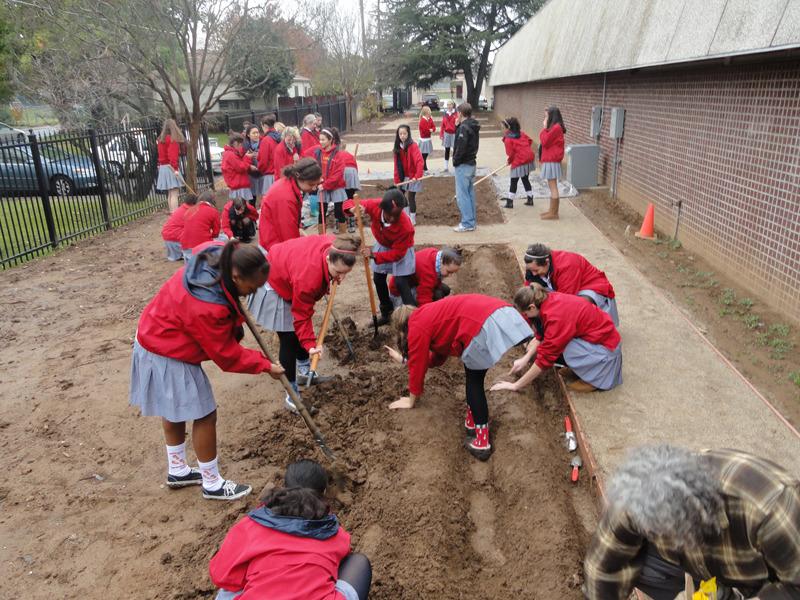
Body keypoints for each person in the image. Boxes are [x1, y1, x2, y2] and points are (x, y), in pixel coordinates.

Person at [130, 240, 285, 501]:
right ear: (236, 276)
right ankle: (212, 483)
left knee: (174, 407)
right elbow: (226, 356)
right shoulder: (207, 306)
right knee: (205, 413)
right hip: (167, 347)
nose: (252, 294)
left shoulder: (217, 252)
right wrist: (265, 365)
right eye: (251, 288)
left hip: (155, 332)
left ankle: (178, 470)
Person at [583, 444, 800, 600]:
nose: (662, 540)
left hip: (763, 580)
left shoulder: (770, 508)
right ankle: (717, 593)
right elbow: (601, 567)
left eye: (668, 534)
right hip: (707, 568)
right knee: (636, 561)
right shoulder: (639, 494)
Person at [385, 294, 533, 460]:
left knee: (474, 381)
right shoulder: (426, 316)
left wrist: (411, 400)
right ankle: (472, 422)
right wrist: (405, 360)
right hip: (493, 313)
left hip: (481, 324)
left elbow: (417, 367)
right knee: (473, 375)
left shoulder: (416, 326)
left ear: (401, 328)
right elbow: (436, 358)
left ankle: (482, 442)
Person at [247, 234, 361, 410]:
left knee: (296, 333)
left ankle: (304, 371)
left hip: (288, 270)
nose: (341, 278)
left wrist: (334, 276)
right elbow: (301, 316)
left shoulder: (337, 245)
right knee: (289, 338)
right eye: (338, 272)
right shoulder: (309, 277)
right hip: (274, 282)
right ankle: (291, 395)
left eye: (346, 273)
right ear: (328, 258)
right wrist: (310, 344)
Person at [209, 478, 372, 600]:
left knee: (229, 587)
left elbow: (219, 576)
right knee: (357, 562)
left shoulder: (251, 525)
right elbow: (343, 553)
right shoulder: (334, 533)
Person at [491, 284, 622, 394]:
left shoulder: (556, 318)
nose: (526, 317)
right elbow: (542, 334)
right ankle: (581, 369)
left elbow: (545, 359)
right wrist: (525, 359)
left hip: (606, 350)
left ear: (532, 307)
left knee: (563, 346)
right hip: (595, 340)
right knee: (556, 343)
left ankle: (593, 379)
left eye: (525, 314)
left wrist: (515, 385)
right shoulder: (547, 299)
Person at [343, 188, 416, 324]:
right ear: (383, 209)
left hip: (401, 249)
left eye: (397, 215)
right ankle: (386, 313)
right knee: (378, 278)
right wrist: (353, 209)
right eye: (390, 215)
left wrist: (374, 255)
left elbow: (398, 254)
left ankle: (413, 318)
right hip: (383, 243)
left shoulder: (406, 227)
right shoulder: (374, 205)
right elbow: (348, 203)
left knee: (401, 282)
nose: (393, 219)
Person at [524, 243, 618, 325]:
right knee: (537, 297)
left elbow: (565, 303)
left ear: (547, 262)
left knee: (579, 308)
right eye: (530, 270)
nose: (533, 274)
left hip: (591, 286)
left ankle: (592, 330)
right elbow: (527, 295)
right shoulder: (534, 268)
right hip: (565, 287)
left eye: (536, 270)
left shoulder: (567, 265)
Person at [258, 158, 322, 252]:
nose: (314, 188)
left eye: (317, 184)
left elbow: (293, 220)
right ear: (298, 176)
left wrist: (299, 229)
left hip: (275, 240)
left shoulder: (291, 183)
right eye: (311, 184)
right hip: (274, 245)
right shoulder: (285, 198)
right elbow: (287, 234)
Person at [305, 127, 347, 234]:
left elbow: (338, 175)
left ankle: (343, 235)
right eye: (320, 139)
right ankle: (321, 235)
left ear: (330, 140)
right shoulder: (318, 153)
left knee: (338, 211)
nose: (321, 142)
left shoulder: (338, 155)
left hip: (336, 186)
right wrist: (316, 182)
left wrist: (325, 185)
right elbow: (315, 168)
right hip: (322, 185)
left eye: (323, 139)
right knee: (321, 211)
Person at [388, 246, 462, 307]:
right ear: (442, 262)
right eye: (449, 272)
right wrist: (427, 313)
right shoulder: (428, 271)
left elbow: (435, 280)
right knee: (437, 295)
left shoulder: (436, 256)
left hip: (413, 283)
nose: (450, 275)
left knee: (443, 290)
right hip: (399, 293)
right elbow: (423, 298)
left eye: (453, 273)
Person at [452, 102, 481, 233]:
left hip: (463, 165)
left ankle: (467, 223)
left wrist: (455, 161)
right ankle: (471, 221)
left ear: (461, 113)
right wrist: (457, 127)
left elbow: (461, 147)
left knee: (462, 196)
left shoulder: (464, 128)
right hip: (471, 164)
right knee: (469, 194)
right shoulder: (471, 126)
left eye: (457, 113)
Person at [393, 125, 424, 225]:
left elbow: (419, 162)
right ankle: (406, 217)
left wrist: (417, 176)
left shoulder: (413, 145)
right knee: (401, 196)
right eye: (400, 134)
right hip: (403, 177)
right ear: (398, 135)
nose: (402, 136)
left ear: (408, 134)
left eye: (404, 134)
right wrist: (397, 180)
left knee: (411, 197)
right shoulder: (397, 147)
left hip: (413, 176)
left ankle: (412, 219)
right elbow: (396, 166)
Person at [501, 117, 535, 209]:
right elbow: (530, 141)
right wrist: (524, 150)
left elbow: (510, 154)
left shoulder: (508, 139)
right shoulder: (522, 134)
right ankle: (530, 199)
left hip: (520, 161)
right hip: (528, 159)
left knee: (513, 181)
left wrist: (509, 161)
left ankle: (510, 202)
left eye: (503, 127)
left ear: (508, 128)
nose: (502, 129)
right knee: (525, 179)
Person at [539, 106, 566, 220]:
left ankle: (554, 213)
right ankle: (552, 211)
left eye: (546, 116)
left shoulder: (556, 128)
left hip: (552, 160)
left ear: (552, 116)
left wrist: (544, 128)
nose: (545, 119)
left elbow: (544, 141)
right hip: (550, 159)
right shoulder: (555, 128)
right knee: (552, 186)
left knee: (553, 186)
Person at [180, 190, 220, 261]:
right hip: (201, 248)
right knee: (224, 238)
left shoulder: (189, 210)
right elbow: (216, 233)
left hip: (185, 248)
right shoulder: (213, 211)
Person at [156, 118, 185, 213]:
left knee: (170, 193)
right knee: (174, 193)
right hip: (170, 167)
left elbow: (160, 154)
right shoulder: (172, 140)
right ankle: (175, 214)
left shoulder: (161, 140)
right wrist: (175, 169)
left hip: (163, 167)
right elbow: (172, 156)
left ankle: (172, 213)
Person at [222, 132, 256, 206]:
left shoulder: (230, 153)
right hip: (239, 186)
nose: (241, 146)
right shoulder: (230, 155)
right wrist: (249, 165)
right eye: (240, 144)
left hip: (238, 185)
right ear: (235, 143)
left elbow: (239, 163)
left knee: (241, 206)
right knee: (241, 206)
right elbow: (240, 167)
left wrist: (246, 157)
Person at [256, 114, 282, 198]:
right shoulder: (280, 137)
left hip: (269, 176)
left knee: (269, 201)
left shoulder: (266, 140)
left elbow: (263, 161)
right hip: (280, 173)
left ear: (265, 125)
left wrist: (259, 169)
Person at [243, 125, 265, 205]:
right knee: (252, 196)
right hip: (251, 174)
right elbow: (241, 161)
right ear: (248, 135)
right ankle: (252, 214)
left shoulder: (264, 142)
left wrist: (260, 155)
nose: (256, 135)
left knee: (265, 194)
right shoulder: (244, 145)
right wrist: (249, 164)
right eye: (254, 133)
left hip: (263, 172)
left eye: (257, 132)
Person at [439, 100, 457, 172]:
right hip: (446, 134)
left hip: (454, 134)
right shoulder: (445, 114)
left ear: (453, 105)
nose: (449, 106)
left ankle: (455, 166)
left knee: (455, 150)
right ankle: (446, 167)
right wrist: (441, 134)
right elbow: (442, 125)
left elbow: (458, 124)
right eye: (448, 105)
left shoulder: (456, 114)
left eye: (450, 105)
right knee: (447, 150)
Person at [418, 106, 436, 172]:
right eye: (429, 111)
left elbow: (434, 127)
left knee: (425, 154)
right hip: (424, 140)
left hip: (428, 139)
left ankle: (424, 168)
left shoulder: (430, 119)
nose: (430, 113)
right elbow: (425, 131)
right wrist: (430, 130)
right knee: (423, 155)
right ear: (426, 112)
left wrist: (432, 129)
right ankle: (424, 168)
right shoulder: (423, 121)